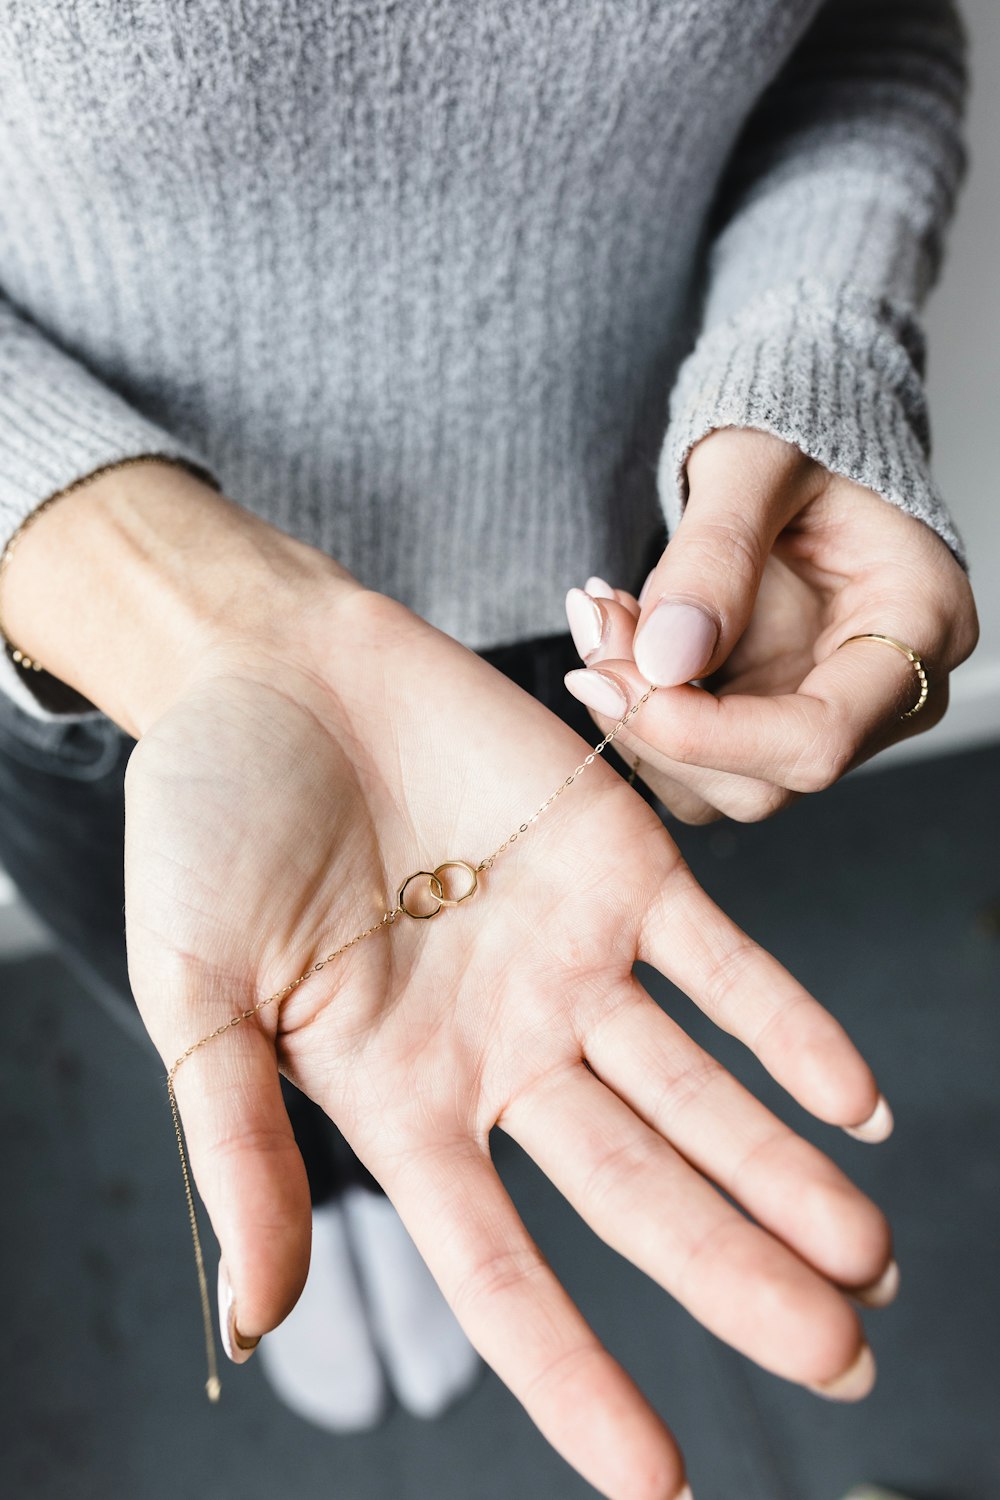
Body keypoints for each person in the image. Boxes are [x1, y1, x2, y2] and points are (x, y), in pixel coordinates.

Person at [0, 4, 978, 1498]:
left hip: (599, 612)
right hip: (115, 668)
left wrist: (811, 353)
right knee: (225, 1025)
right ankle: (337, 1193)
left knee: (495, 1049)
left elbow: (867, 34)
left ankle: (381, 1185)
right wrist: (188, 618)